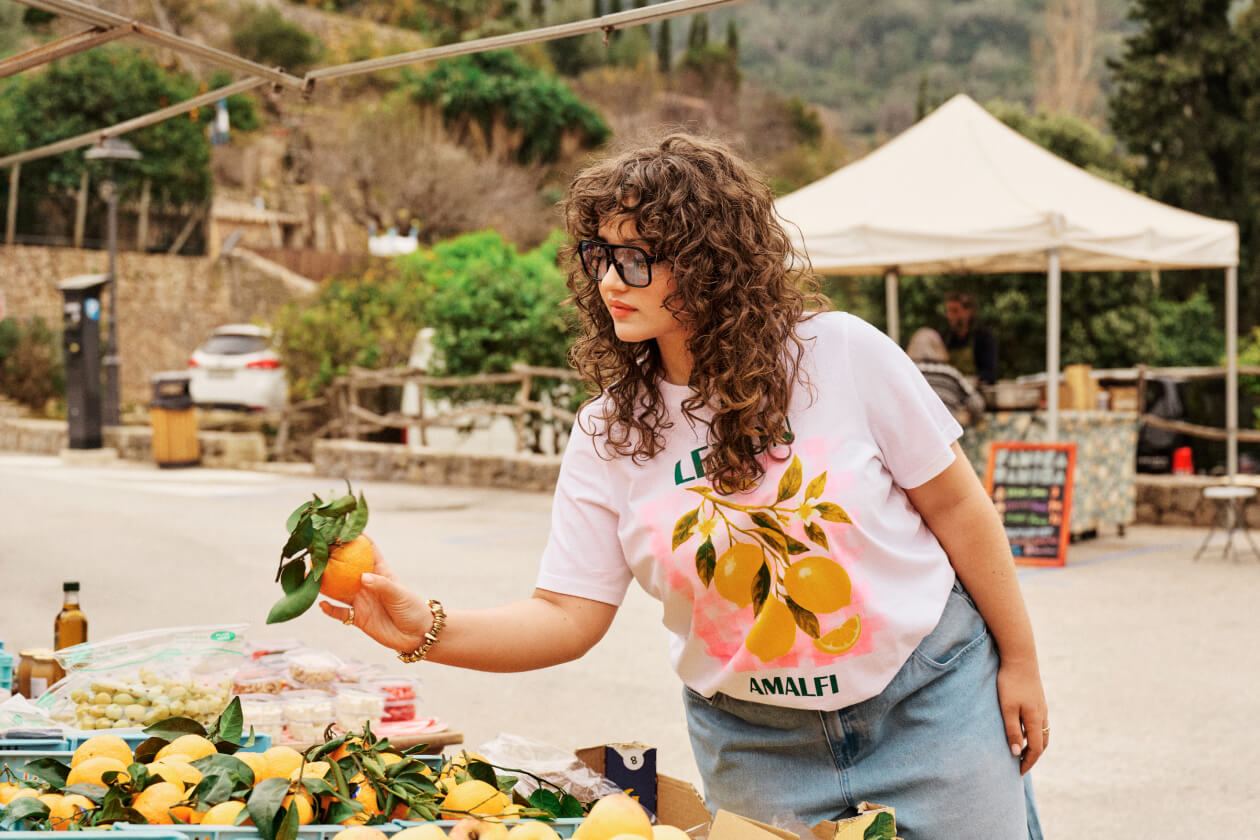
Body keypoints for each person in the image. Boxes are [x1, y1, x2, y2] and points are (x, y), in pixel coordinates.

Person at [320, 134, 1047, 839]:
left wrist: (1020, 662)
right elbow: (567, 613)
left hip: (932, 703)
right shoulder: (608, 430)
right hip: (756, 747)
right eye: (600, 255)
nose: (609, 280)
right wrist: (427, 630)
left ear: (712, 262)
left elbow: (958, 507)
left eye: (636, 258)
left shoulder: (843, 353)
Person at [906, 327, 988, 425]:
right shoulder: (951, 374)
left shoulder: (907, 373)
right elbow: (977, 404)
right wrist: (966, 418)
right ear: (939, 348)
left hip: (917, 430)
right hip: (949, 432)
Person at [943, 290, 998, 385]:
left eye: (955, 311)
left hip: (974, 395)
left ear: (969, 312)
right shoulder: (943, 338)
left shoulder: (983, 338)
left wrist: (972, 381)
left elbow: (989, 374)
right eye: (948, 311)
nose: (950, 316)